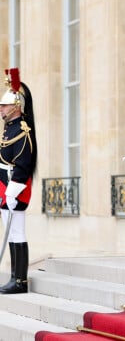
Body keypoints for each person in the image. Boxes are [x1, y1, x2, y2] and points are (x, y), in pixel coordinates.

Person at [0, 68, 37, 294]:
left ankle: (20, 280)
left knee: (17, 232)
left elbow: (23, 163)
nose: (1, 109)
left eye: (4, 106)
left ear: (16, 106)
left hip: (16, 187)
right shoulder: (9, 128)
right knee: (10, 231)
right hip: (6, 185)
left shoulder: (23, 129)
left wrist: (13, 191)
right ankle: (14, 276)